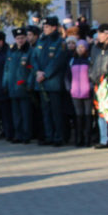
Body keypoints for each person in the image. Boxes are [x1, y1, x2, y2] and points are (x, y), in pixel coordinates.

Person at [30, 16, 70, 147]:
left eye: (47, 27)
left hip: (53, 83)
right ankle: (49, 135)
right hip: (41, 82)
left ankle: (59, 136)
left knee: (56, 112)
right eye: (44, 27)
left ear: (54, 27)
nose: (44, 29)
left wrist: (45, 74)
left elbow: (57, 62)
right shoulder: (41, 41)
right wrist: (37, 71)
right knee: (45, 111)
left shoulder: (60, 42)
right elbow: (34, 58)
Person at [2, 27, 32, 144]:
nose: (20, 40)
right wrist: (5, 83)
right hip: (13, 87)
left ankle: (26, 135)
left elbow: (31, 69)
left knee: (25, 114)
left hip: (24, 87)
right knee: (16, 114)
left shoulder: (29, 51)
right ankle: (17, 134)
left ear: (26, 38)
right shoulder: (11, 52)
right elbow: (7, 69)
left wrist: (29, 83)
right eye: (18, 38)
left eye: (22, 38)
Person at [67, 39, 93, 147]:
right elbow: (67, 76)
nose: (80, 49)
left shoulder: (89, 60)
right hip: (75, 91)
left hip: (87, 91)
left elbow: (92, 75)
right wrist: (69, 88)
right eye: (78, 47)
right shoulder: (72, 60)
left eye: (82, 47)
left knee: (87, 115)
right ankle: (78, 138)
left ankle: (87, 138)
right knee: (78, 116)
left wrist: (91, 87)